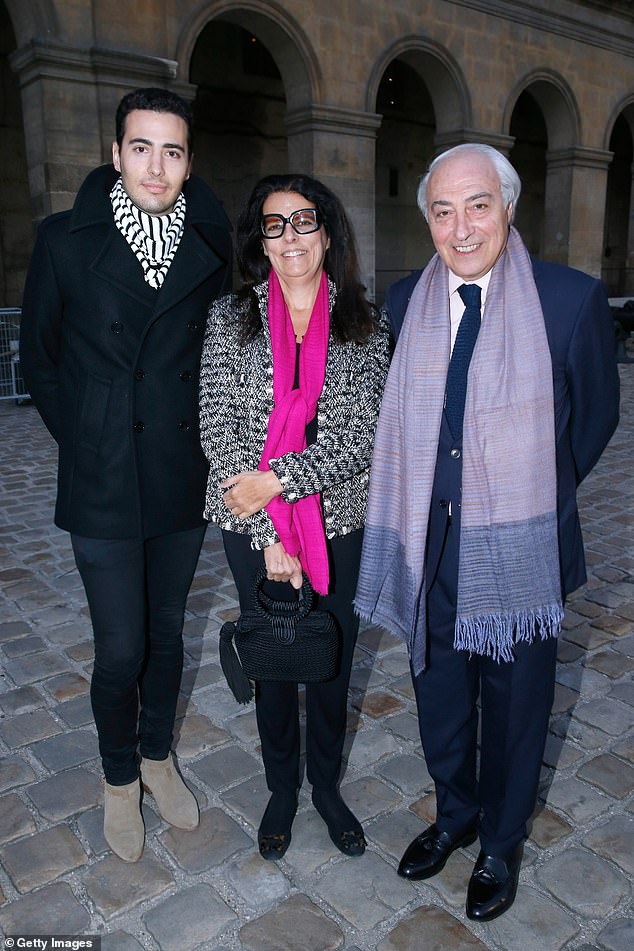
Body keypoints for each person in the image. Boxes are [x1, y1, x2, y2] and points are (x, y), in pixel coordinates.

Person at [355, 143, 619, 920]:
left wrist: (530, 492)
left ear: (509, 207)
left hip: (518, 551)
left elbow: (595, 419)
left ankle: (500, 841)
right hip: (428, 545)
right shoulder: (406, 302)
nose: (461, 226)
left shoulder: (570, 300)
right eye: (443, 210)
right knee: (438, 693)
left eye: (477, 205)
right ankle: (455, 812)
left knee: (515, 704)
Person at [19, 87, 232, 862]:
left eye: (171, 151)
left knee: (168, 635)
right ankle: (117, 779)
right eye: (141, 147)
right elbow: (37, 359)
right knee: (119, 648)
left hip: (180, 473)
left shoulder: (210, 243)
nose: (156, 164)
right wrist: (86, 437)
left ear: (187, 162)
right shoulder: (64, 240)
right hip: (104, 477)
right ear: (115, 155)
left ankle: (155, 757)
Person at [199, 173, 390, 861]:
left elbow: (361, 431)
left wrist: (278, 479)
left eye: (304, 221)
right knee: (275, 661)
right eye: (274, 224)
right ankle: (282, 787)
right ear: (260, 240)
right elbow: (217, 430)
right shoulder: (229, 319)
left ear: (328, 233)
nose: (291, 237)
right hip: (249, 528)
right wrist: (270, 531)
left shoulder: (365, 324)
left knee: (332, 663)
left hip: (340, 522)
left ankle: (327, 787)